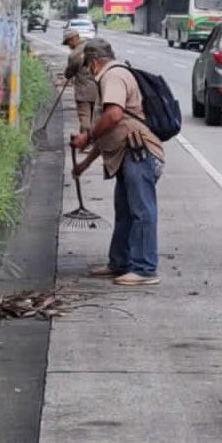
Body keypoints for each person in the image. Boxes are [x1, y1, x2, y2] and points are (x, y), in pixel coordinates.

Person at [71, 38, 164, 286]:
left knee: (141, 211)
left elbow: (113, 116)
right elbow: (107, 132)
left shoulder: (113, 76)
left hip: (139, 153)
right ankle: (120, 262)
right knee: (124, 211)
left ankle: (145, 269)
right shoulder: (112, 76)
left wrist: (87, 136)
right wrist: (85, 163)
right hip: (126, 154)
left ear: (93, 64)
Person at [62, 28, 98, 134]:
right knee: (96, 117)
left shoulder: (74, 55)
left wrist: (68, 75)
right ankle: (94, 142)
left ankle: (86, 141)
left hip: (84, 92)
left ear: (73, 39)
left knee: (85, 117)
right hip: (99, 88)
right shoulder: (93, 46)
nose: (69, 46)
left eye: (68, 42)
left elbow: (69, 73)